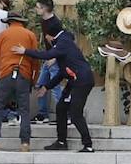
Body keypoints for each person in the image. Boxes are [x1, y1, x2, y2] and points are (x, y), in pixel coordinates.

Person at [16, 19, 95, 152]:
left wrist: (25, 51)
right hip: (74, 79)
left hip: (81, 81)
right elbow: (62, 72)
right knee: (61, 108)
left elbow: (46, 55)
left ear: (48, 35)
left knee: (75, 113)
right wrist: (46, 87)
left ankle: (88, 145)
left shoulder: (62, 43)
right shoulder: (63, 39)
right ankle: (61, 141)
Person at [0, 11, 39, 152]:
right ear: (22, 22)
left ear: (9, 23)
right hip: (24, 75)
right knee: (24, 110)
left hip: (5, 73)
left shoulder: (3, 35)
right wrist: (33, 80)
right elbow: (35, 60)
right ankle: (25, 143)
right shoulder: (30, 35)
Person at [30, 0, 62, 123]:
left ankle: (64, 115)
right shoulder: (44, 21)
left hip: (54, 58)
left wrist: (54, 58)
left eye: (38, 7)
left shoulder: (55, 24)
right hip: (48, 57)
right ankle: (43, 114)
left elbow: (61, 43)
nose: (36, 9)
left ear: (44, 9)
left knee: (55, 87)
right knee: (40, 84)